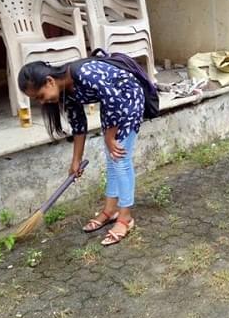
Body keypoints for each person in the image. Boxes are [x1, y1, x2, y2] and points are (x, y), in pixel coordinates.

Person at [17, 59, 144, 246]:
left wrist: (110, 137)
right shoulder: (66, 93)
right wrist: (76, 161)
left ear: (50, 81)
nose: (42, 102)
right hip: (112, 108)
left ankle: (125, 218)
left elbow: (114, 98)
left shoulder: (83, 74)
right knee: (112, 159)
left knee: (120, 159)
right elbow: (79, 125)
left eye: (40, 96)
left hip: (128, 99)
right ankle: (110, 211)